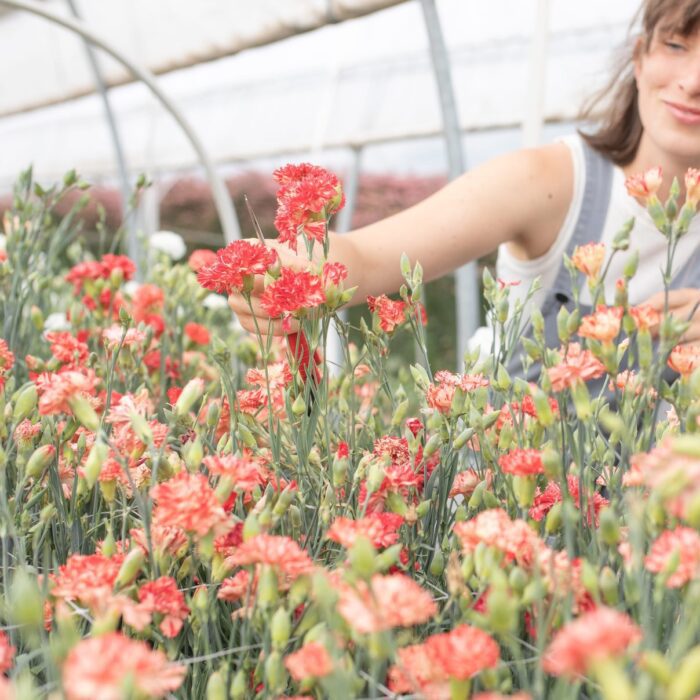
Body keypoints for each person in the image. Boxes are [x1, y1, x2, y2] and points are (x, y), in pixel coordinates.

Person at [229, 0, 700, 369]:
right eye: (676, 46)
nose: (692, 81)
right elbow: (370, 257)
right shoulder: (553, 181)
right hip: (511, 490)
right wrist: (288, 267)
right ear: (639, 58)